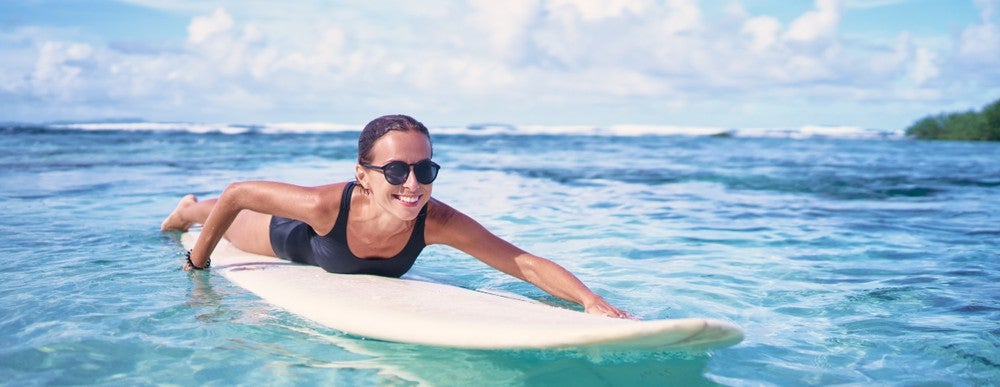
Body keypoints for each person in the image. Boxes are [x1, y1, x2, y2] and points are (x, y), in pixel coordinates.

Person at [161, 114, 631, 319]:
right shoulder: (326, 205)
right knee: (214, 215)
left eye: (424, 168)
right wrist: (198, 264)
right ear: (363, 175)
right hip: (278, 236)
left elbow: (519, 261)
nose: (413, 184)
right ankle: (188, 208)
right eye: (395, 170)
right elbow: (239, 193)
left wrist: (588, 300)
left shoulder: (437, 221)